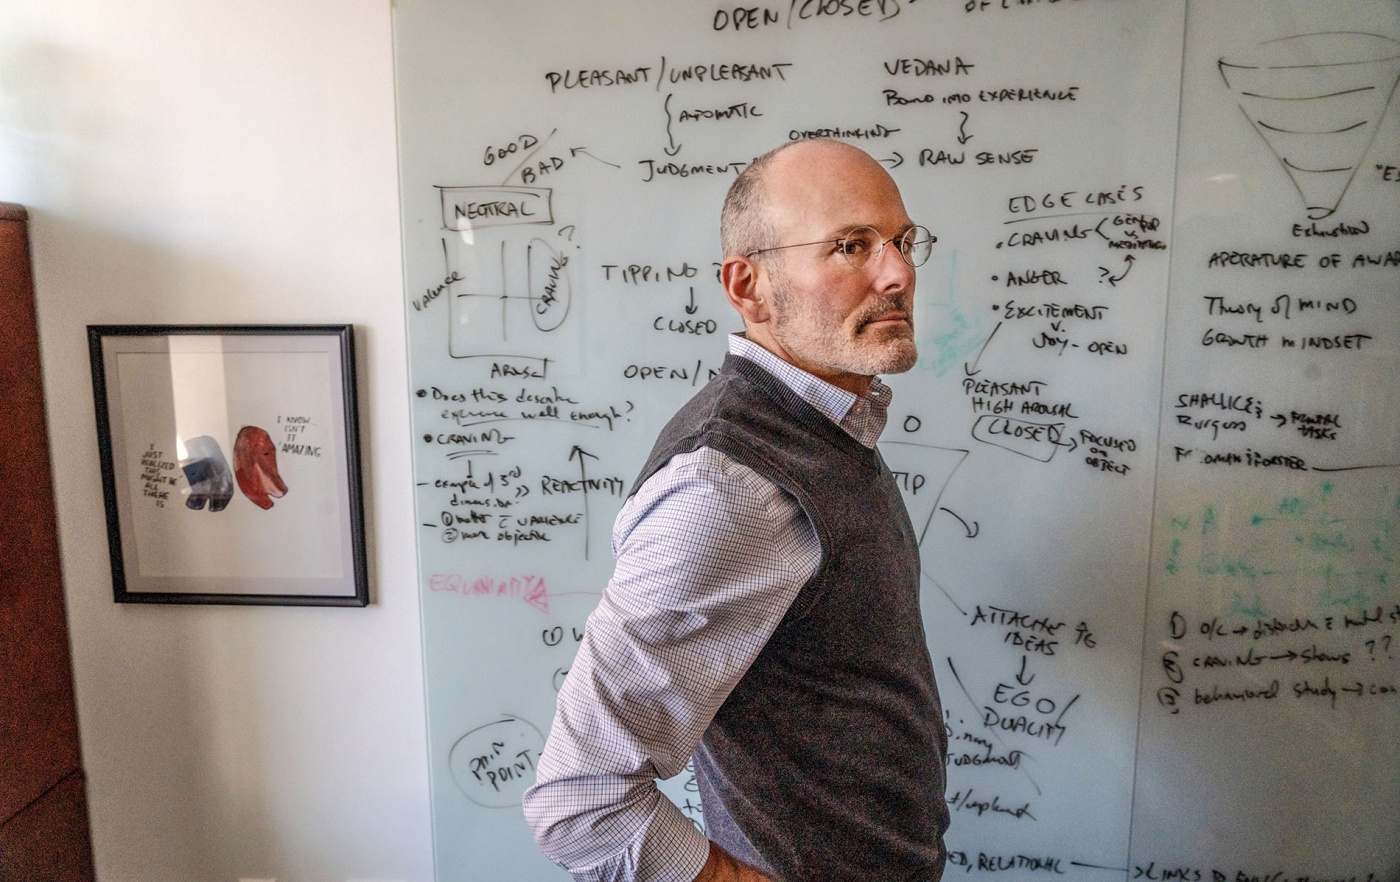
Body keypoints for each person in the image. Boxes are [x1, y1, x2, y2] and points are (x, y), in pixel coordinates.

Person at [522, 138, 949, 882]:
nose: (898, 273)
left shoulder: (826, 426)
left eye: (903, 242)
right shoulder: (732, 488)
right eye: (851, 245)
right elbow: (579, 800)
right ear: (749, 287)